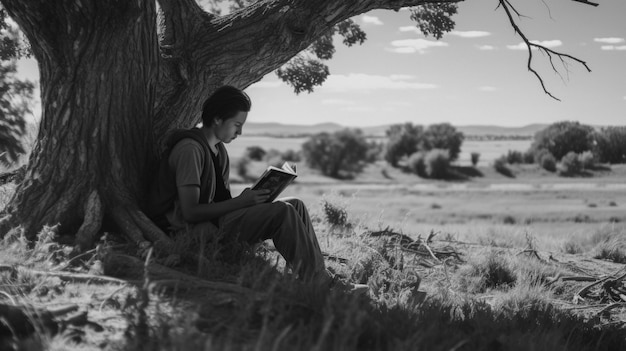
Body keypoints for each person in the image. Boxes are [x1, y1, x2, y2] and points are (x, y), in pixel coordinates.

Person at [148, 85, 367, 293]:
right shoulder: (190, 150)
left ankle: (316, 273)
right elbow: (190, 212)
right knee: (282, 212)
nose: (240, 132)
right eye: (236, 124)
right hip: (188, 233)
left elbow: (219, 202)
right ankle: (320, 283)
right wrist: (241, 203)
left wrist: (256, 198)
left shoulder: (219, 151)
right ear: (216, 119)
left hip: (213, 223)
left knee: (295, 205)